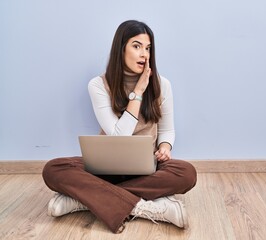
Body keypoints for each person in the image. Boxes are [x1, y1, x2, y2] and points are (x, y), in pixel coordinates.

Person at [42, 20, 197, 234]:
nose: (144, 54)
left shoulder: (163, 85)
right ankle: (147, 208)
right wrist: (138, 92)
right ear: (120, 48)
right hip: (106, 169)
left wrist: (165, 147)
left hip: (147, 168)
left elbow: (167, 130)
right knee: (53, 169)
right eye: (136, 46)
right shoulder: (98, 85)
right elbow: (119, 136)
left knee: (186, 173)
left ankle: (83, 202)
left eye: (148, 48)